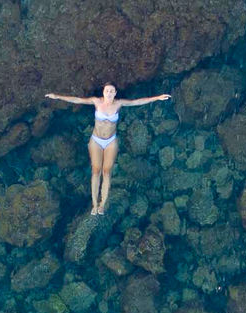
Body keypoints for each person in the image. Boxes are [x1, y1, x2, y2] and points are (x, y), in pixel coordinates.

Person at [44, 84, 171, 215]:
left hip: (110, 141)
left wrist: (157, 98)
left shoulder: (119, 103)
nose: (109, 93)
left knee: (106, 172)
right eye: (107, 91)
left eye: (111, 91)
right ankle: (94, 204)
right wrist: (57, 97)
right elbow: (77, 99)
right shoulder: (96, 101)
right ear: (103, 92)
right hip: (96, 140)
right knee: (96, 171)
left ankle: (102, 204)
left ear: (115, 93)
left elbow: (136, 102)